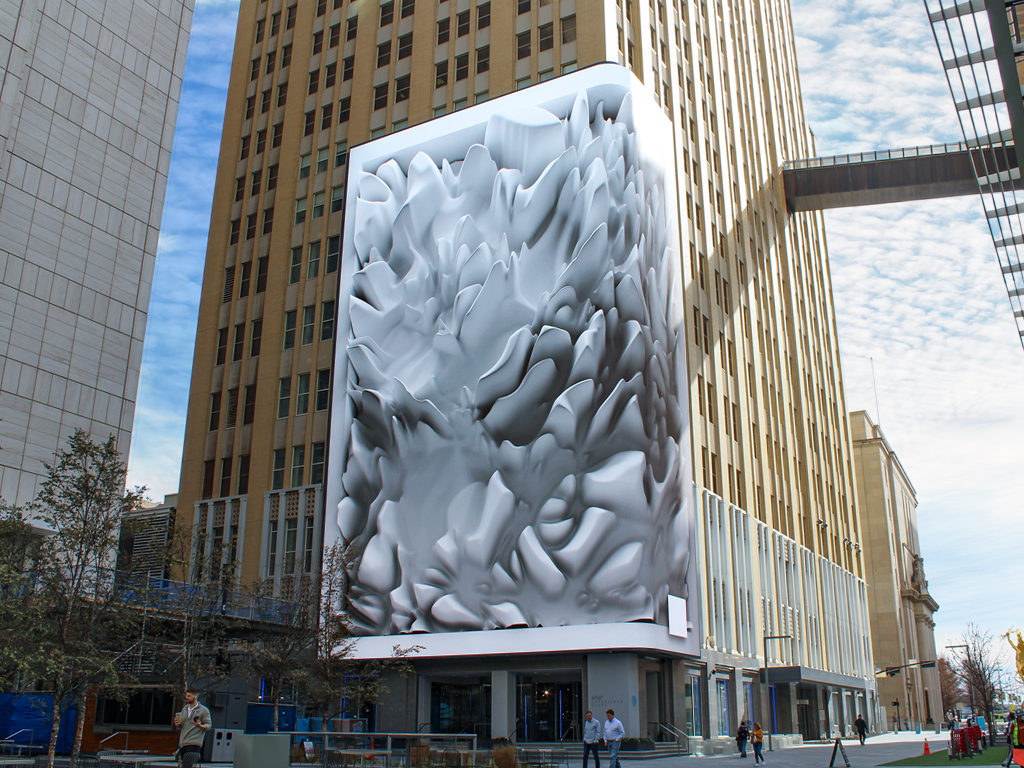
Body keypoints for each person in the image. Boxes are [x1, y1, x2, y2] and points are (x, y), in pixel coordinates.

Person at [174, 688, 211, 768]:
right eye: (186, 695)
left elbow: (208, 726)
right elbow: (181, 726)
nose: (186, 697)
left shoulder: (203, 710)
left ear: (195, 696)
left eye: (189, 696)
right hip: (183, 743)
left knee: (187, 765)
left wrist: (200, 726)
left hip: (194, 742)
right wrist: (177, 724)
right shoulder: (184, 709)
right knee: (185, 765)